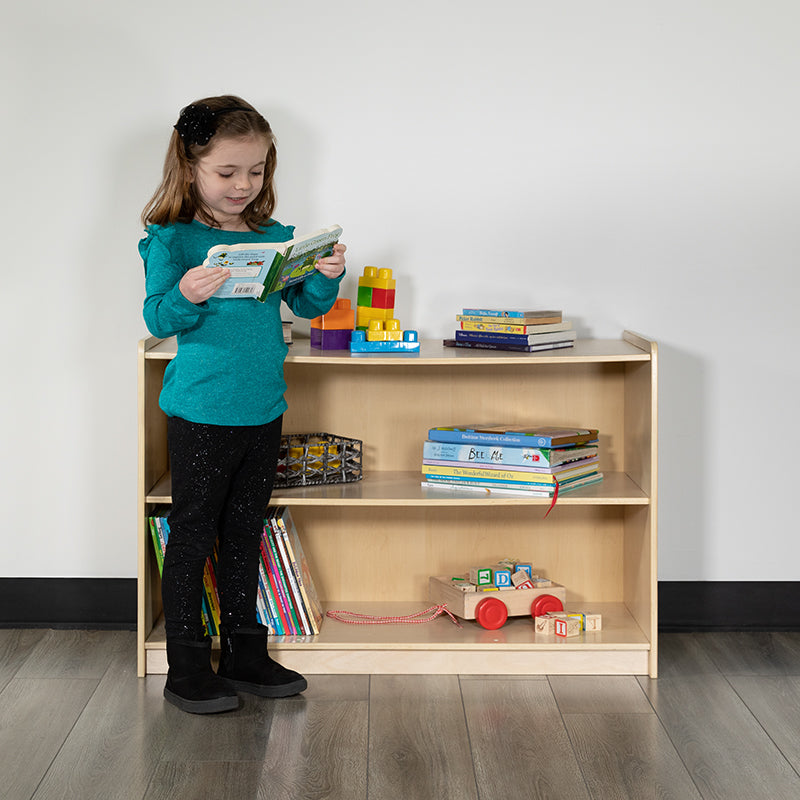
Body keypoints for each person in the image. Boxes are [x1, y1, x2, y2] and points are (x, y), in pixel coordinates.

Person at [140, 95, 346, 714]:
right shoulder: (171, 241)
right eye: (227, 172)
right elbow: (157, 315)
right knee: (194, 531)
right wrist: (185, 291)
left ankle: (243, 651)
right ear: (190, 166)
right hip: (202, 410)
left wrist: (327, 274)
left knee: (245, 531)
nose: (243, 184)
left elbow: (306, 309)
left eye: (255, 171)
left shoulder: (273, 237)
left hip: (263, 407)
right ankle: (185, 663)